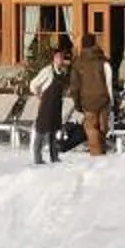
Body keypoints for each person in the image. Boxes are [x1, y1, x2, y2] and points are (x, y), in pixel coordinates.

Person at [70, 33, 115, 159]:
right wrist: (111, 101)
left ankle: (96, 156)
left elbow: (75, 87)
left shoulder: (78, 64)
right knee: (102, 129)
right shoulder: (103, 61)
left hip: (87, 101)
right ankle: (102, 153)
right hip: (104, 100)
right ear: (95, 44)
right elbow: (109, 81)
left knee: (91, 128)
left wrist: (77, 103)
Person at [28, 36, 70, 165]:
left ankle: (54, 156)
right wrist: (38, 94)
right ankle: (37, 157)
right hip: (46, 104)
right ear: (54, 58)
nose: (61, 60)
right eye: (58, 57)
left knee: (54, 131)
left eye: (62, 57)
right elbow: (33, 84)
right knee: (41, 130)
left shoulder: (62, 73)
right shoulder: (47, 71)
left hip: (57, 105)